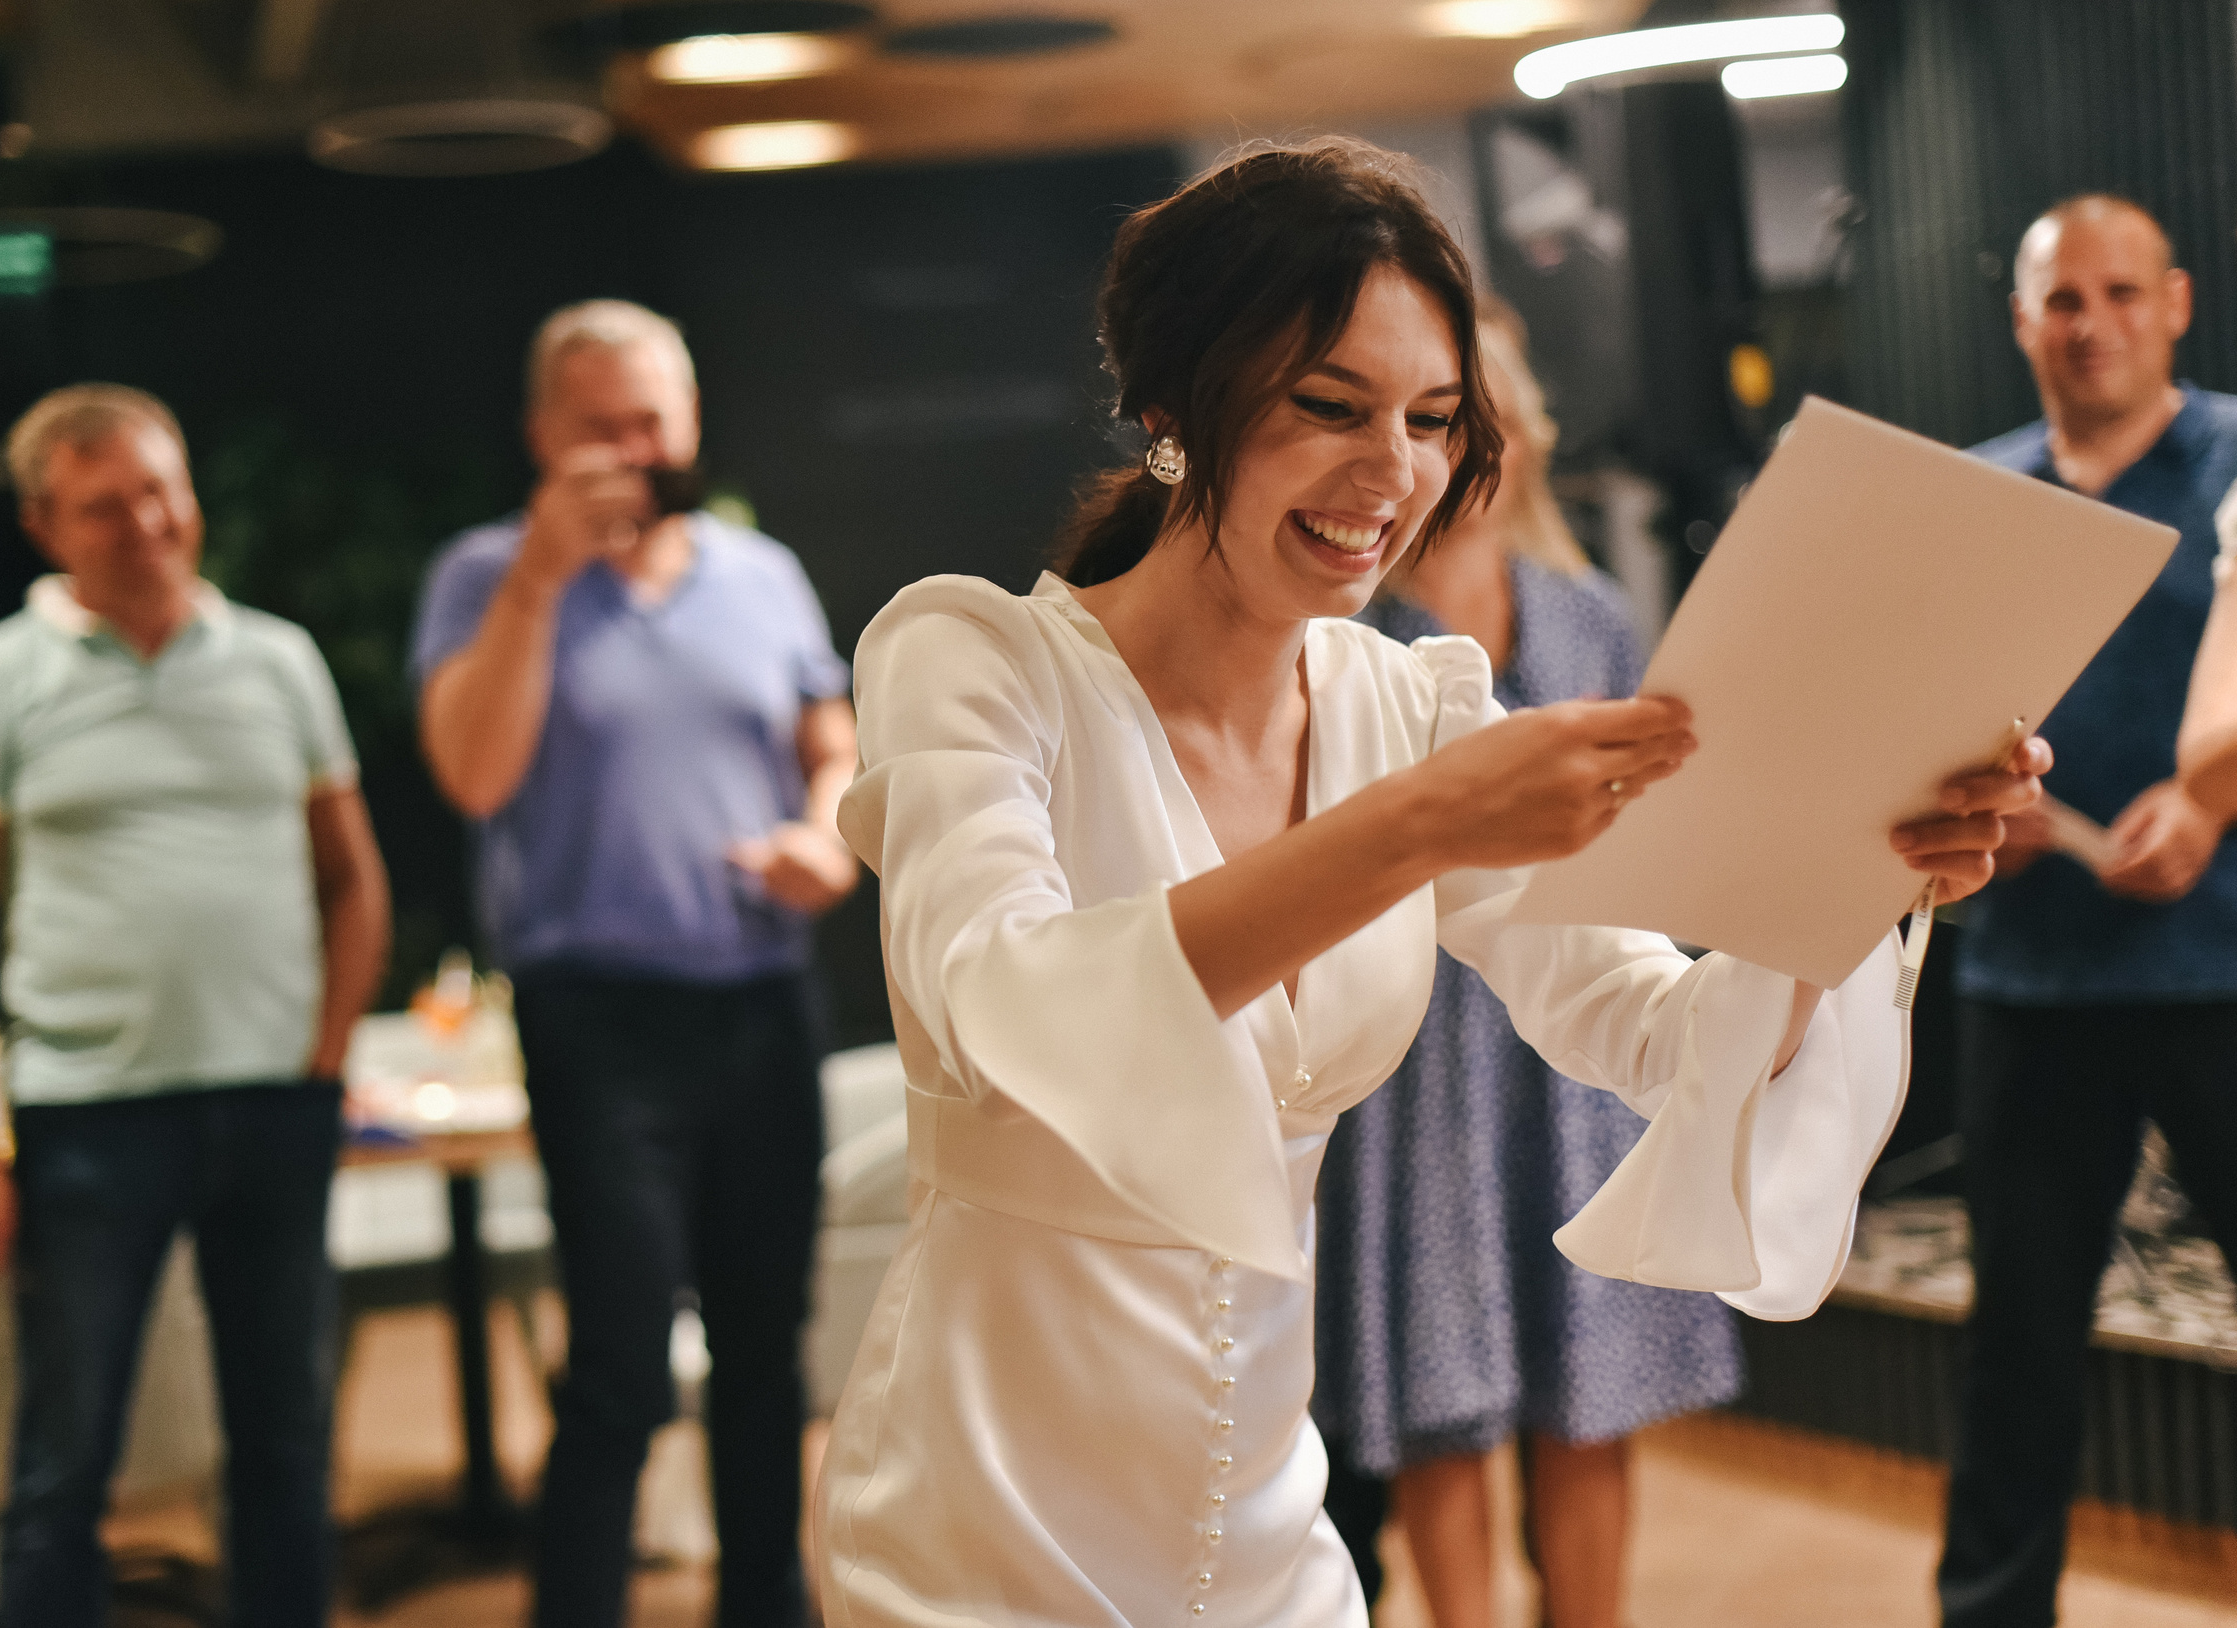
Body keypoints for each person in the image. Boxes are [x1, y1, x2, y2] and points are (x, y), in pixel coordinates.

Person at [814, 137, 2039, 1628]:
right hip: (983, 1526)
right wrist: (1410, 829)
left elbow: (1652, 1031)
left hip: (1269, 1530)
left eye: (1434, 420)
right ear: (1169, 411)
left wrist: (1857, 864)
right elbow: (1012, 1005)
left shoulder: (1410, 705)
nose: (1391, 475)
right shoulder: (975, 666)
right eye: (1330, 407)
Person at [0, 383, 390, 1628]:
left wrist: (324, 1056)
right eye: (105, 507)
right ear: (43, 524)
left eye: (163, 492)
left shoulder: (277, 660)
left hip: (273, 1104)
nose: (149, 525)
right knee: (67, 1460)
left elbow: (354, 880)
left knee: (287, 1444)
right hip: (89, 1115)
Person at [410, 298, 858, 1628]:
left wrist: (827, 840)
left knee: (766, 1353)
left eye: (652, 422)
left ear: (693, 423)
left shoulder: (757, 572)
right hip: (595, 1015)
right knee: (617, 1360)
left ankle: (765, 1606)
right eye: (600, 426)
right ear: (545, 435)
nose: (631, 450)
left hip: (763, 1000)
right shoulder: (483, 577)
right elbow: (473, 772)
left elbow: (831, 750)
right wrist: (545, 579)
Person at [1312, 301, 1739, 1628]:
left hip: (1581, 1056)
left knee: (1592, 1386)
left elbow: (1658, 851)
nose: (1444, 453)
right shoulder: (1348, 637)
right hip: (1415, 1068)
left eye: (1459, 417)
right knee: (1446, 1397)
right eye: (1421, 420)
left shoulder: (1592, 620)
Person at [1937, 196, 2237, 1628]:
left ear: (2173, 302)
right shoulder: (1977, 500)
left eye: (2122, 294)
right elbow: (1927, 728)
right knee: (2020, 1347)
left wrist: (2215, 806)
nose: (2094, 324)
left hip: (2223, 970)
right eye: (2065, 300)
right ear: (2023, 321)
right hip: (2033, 982)